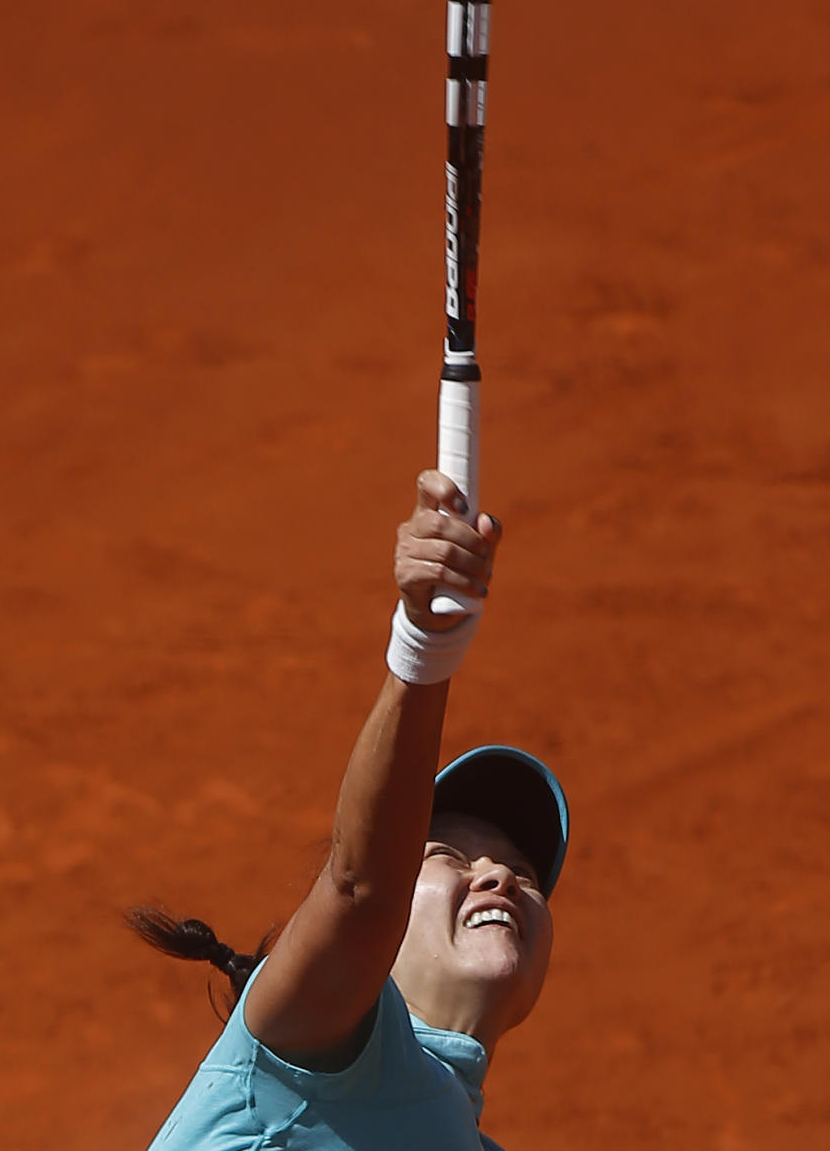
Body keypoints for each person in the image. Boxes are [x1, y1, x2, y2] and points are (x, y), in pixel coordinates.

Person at [130, 469, 569, 1150]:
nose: (500, 877)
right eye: (449, 855)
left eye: (523, 871)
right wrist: (424, 642)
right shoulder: (312, 1045)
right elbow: (363, 889)